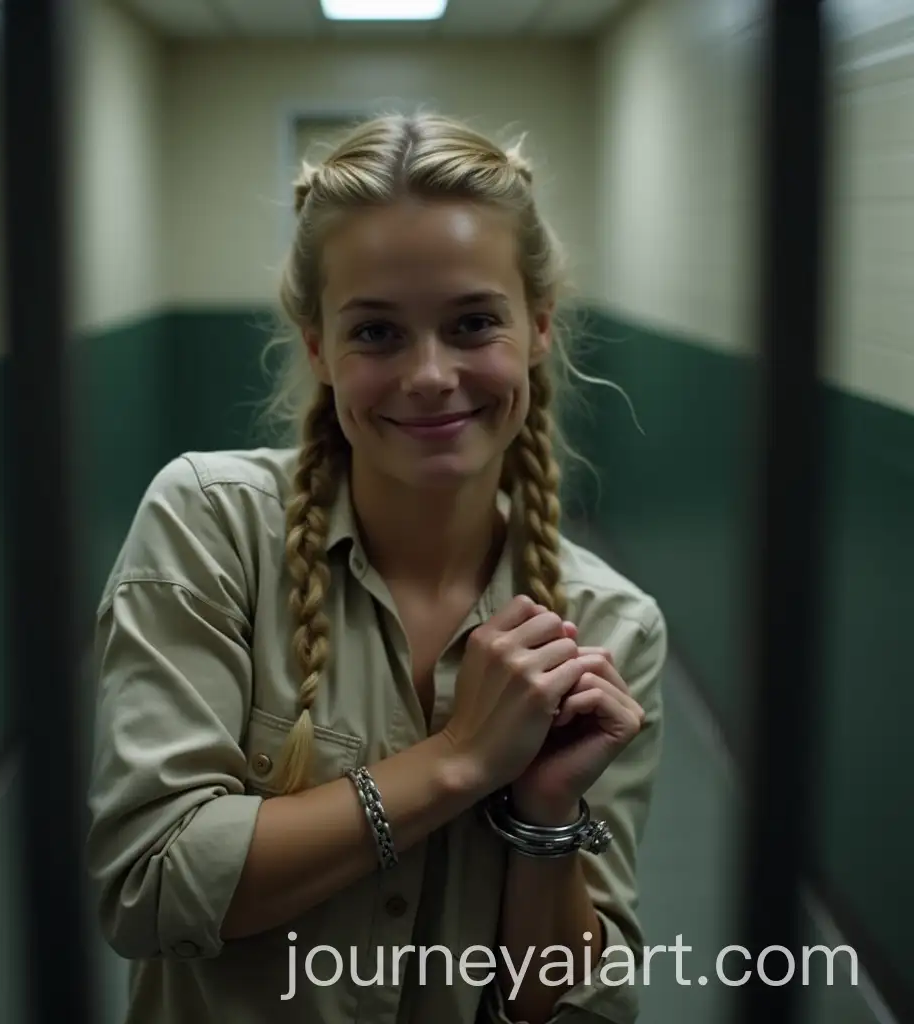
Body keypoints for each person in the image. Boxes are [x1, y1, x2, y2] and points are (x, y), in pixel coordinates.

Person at [85, 111, 667, 1024]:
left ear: (539, 328)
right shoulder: (211, 523)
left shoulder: (612, 626)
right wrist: (462, 761)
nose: (431, 373)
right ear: (318, 345)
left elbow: (568, 1007)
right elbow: (152, 888)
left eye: (474, 322)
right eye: (377, 334)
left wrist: (548, 817)